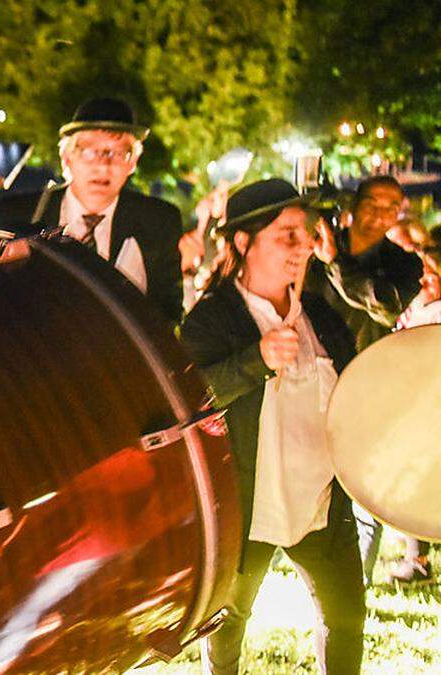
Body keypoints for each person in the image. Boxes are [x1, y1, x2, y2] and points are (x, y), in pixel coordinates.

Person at [180, 179, 364, 675]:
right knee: (228, 625)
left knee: (346, 619)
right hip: (249, 506)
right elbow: (188, 403)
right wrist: (254, 360)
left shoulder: (320, 313)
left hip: (322, 503)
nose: (303, 245)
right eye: (287, 234)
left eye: (304, 234)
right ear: (243, 243)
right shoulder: (210, 320)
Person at [311, 175, 429, 583]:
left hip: (365, 381)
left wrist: (335, 264)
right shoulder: (316, 242)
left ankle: (355, 578)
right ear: (354, 204)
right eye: (372, 203)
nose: (380, 214)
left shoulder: (403, 263)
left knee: (363, 483)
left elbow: (384, 305)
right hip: (307, 376)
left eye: (391, 206)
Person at [0, 97, 183, 322]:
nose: (103, 165)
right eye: (90, 151)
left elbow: (168, 313)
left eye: (118, 153)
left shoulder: (158, 221)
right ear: (67, 157)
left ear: (133, 162)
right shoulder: (17, 213)